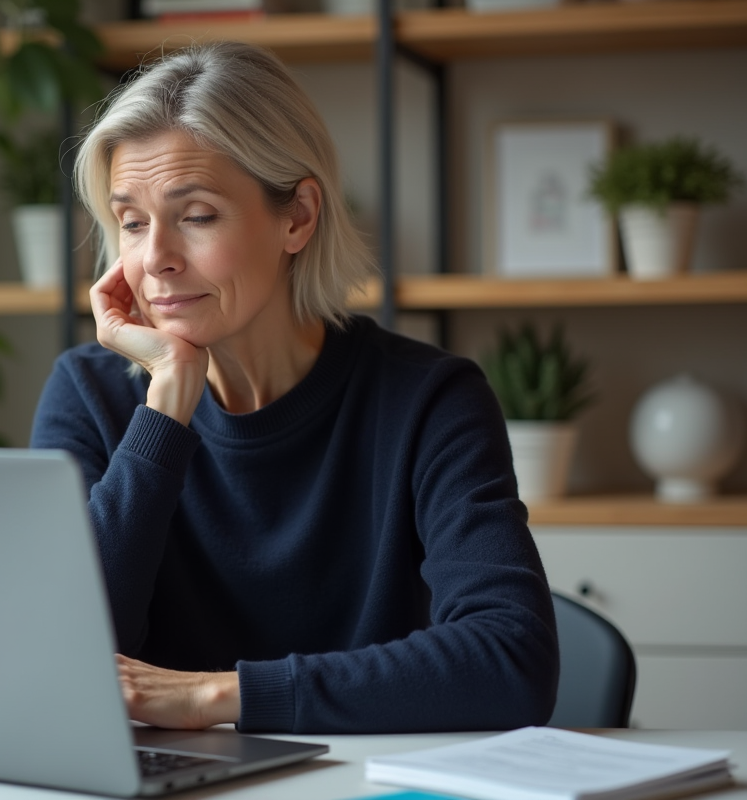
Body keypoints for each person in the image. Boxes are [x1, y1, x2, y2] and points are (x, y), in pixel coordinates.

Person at [30, 41, 559, 735]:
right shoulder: (89, 394)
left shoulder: (429, 400)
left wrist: (213, 697)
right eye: (131, 222)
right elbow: (55, 660)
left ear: (298, 217)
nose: (154, 257)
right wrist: (165, 411)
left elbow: (512, 659)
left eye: (196, 216)